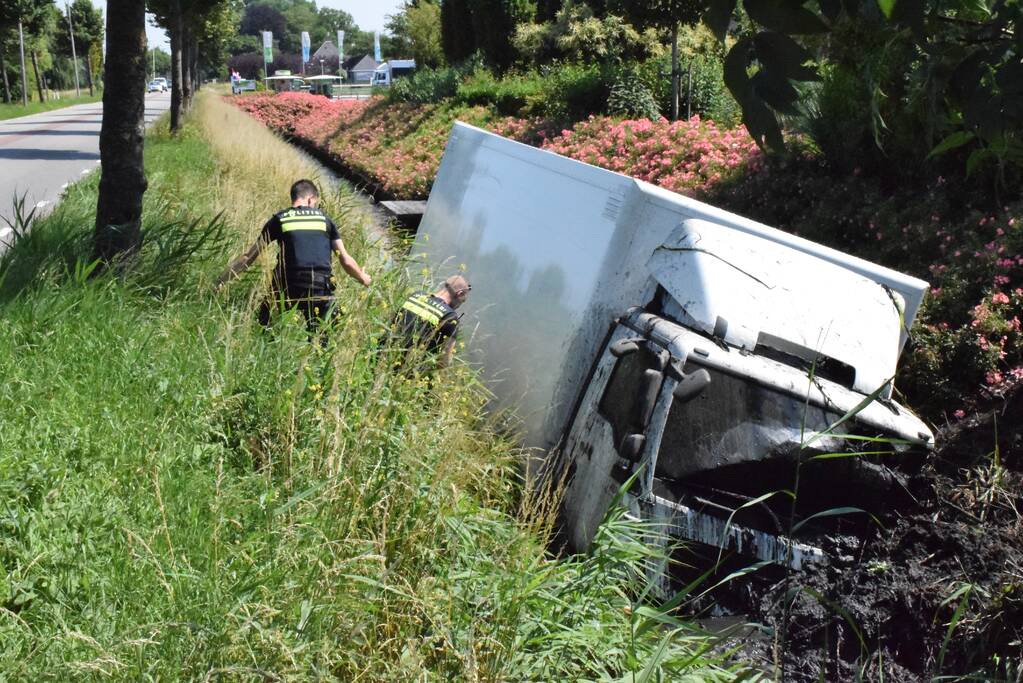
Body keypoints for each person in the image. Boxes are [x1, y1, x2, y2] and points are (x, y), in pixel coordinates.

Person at [216, 179, 371, 331]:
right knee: (322, 332)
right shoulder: (325, 221)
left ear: (294, 197)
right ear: (311, 199)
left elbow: (248, 257)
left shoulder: (279, 220)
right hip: (320, 289)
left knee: (265, 318)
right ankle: (319, 346)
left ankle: (267, 336)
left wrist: (220, 281)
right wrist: (362, 277)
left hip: (287, 288)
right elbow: (345, 260)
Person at [395, 275, 471, 367]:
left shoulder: (416, 295)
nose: (459, 306)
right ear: (459, 293)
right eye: (462, 301)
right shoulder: (449, 316)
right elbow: (445, 361)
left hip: (383, 353)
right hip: (407, 366)